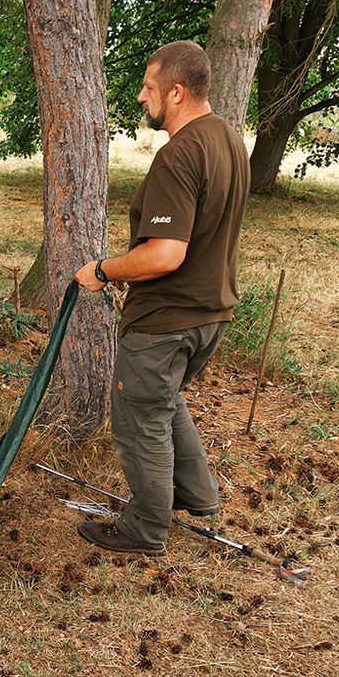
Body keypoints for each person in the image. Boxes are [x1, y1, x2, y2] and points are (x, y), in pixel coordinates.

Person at [72, 40, 249, 555]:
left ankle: (145, 528)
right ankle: (197, 495)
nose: (141, 97)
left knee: (139, 416)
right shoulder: (229, 141)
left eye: (149, 88)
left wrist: (104, 270)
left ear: (175, 92)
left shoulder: (179, 154)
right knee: (163, 402)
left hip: (166, 319)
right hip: (211, 314)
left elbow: (165, 254)